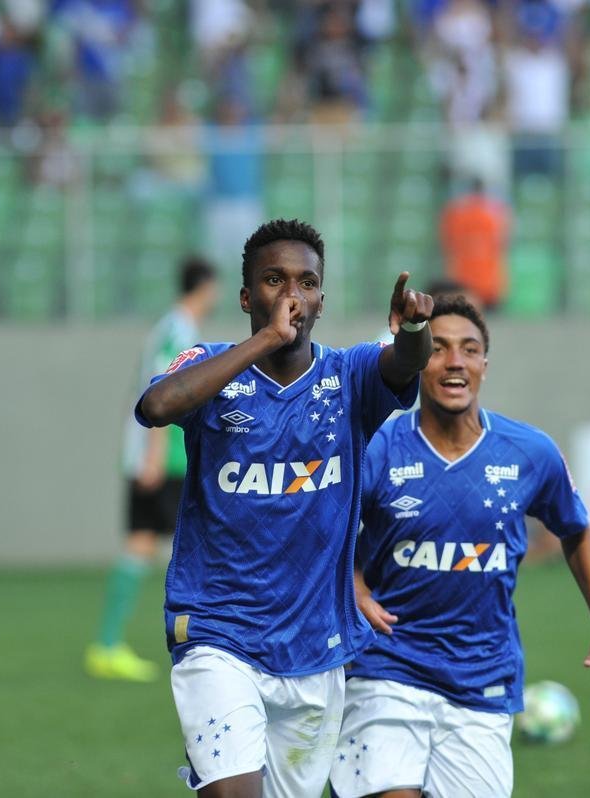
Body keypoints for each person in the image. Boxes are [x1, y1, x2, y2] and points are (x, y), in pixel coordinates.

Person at [135, 218, 434, 797]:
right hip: (218, 633)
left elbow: (405, 363)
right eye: (275, 280)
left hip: (314, 645)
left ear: (322, 299)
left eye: (306, 282)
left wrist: (416, 330)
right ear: (248, 297)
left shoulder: (347, 377)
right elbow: (156, 405)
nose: (291, 294)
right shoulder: (208, 363)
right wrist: (267, 341)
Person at [330, 297, 590, 798]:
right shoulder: (377, 445)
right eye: (439, 349)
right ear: (418, 360)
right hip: (386, 667)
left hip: (482, 681)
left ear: (484, 366)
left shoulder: (529, 452)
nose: (454, 362)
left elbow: (576, 530)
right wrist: (353, 587)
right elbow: (325, 525)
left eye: (469, 350)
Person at [86, 256, 222, 682]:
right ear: (206, 287)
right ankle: (209, 643)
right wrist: (152, 457)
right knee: (199, 543)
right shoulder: (179, 330)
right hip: (162, 458)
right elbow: (164, 390)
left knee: (143, 543)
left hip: (161, 455)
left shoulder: (176, 327)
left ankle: (107, 644)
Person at [439, 180, 509, 313]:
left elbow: (449, 239)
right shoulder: (495, 212)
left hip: (465, 273)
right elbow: (502, 240)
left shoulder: (458, 211)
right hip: (486, 275)